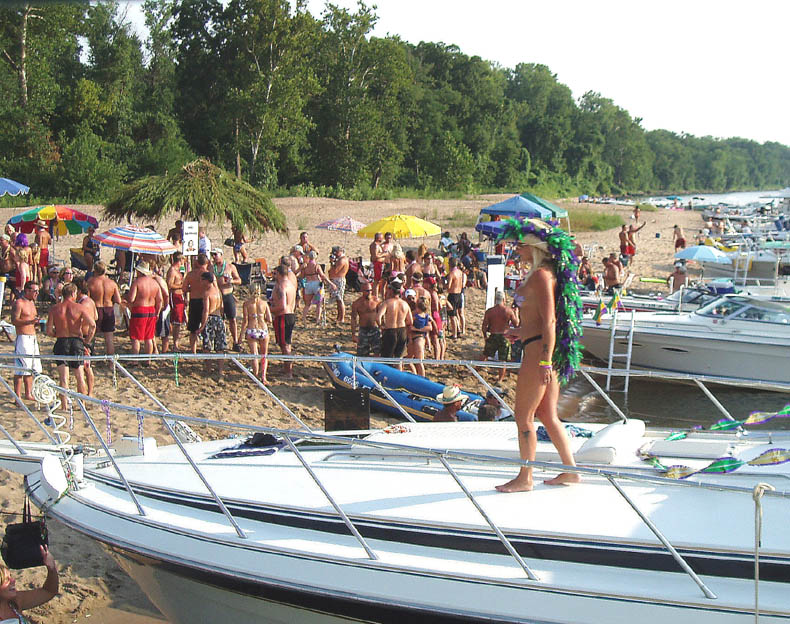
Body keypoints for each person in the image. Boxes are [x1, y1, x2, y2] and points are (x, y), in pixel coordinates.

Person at [494, 218, 583, 492]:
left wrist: (544, 361)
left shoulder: (542, 276)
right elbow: (538, 321)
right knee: (547, 414)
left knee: (524, 417)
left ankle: (525, 477)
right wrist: (520, 331)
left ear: (534, 248)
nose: (516, 249)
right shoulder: (541, 274)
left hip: (538, 355)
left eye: (520, 245)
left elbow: (550, 321)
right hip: (537, 348)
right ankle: (571, 471)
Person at [47, 283, 95, 411]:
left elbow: (49, 331)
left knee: (64, 377)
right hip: (76, 341)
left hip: (61, 341)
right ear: (73, 293)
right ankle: (82, 404)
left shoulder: (55, 309)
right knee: (79, 375)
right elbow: (93, 325)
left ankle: (64, 406)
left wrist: (58, 333)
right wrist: (87, 341)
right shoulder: (79, 308)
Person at [0, 546, 59, 621]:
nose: (13, 581)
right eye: (6, 580)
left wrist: (52, 569)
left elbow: (49, 592)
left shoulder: (15, 601)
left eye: (11, 576)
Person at [124, 261, 163, 359]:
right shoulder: (155, 283)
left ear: (140, 272)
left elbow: (131, 299)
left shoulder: (137, 282)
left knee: (135, 338)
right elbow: (160, 300)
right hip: (152, 310)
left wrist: (126, 298)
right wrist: (157, 312)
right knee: (149, 337)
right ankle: (147, 359)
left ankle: (135, 360)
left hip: (139, 310)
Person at [11, 281, 41, 401]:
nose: (37, 293)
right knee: (21, 368)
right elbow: (14, 320)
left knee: (31, 366)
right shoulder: (19, 303)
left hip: (32, 337)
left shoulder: (32, 303)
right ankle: (17, 396)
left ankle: (28, 393)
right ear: (27, 290)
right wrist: (29, 322)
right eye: (35, 291)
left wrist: (36, 324)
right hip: (23, 337)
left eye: (38, 291)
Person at [482, 290, 518, 383]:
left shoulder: (490, 311)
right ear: (504, 299)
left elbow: (484, 326)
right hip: (504, 336)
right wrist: (516, 314)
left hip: (493, 335)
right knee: (503, 360)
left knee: (485, 355)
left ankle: (477, 370)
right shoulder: (508, 311)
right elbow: (516, 324)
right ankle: (500, 379)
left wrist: (485, 336)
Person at [86, 261, 121, 356]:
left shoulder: (91, 282)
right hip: (108, 309)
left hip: (96, 308)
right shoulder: (112, 283)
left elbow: (87, 299)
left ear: (95, 270)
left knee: (91, 334)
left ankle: (89, 358)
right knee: (109, 338)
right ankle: (110, 361)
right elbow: (118, 300)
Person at [240, 283, 273, 383]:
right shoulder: (264, 303)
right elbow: (270, 319)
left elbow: (245, 321)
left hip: (252, 329)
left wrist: (240, 336)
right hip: (263, 329)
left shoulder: (247, 304)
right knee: (264, 355)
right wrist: (262, 319)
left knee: (254, 354)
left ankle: (255, 376)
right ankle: (263, 377)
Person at [210, 249, 242, 350]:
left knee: (232, 319)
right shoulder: (211, 268)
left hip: (228, 294)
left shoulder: (230, 267)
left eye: (215, 254)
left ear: (221, 254)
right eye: (212, 255)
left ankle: (235, 341)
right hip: (217, 296)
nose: (213, 257)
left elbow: (239, 280)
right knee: (219, 319)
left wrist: (231, 281)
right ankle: (220, 341)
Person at [377, 279, 412, 370]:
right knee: (399, 359)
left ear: (391, 290)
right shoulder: (405, 304)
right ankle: (399, 376)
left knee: (386, 358)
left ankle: (386, 375)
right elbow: (410, 321)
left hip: (390, 330)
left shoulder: (387, 303)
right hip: (402, 330)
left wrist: (381, 326)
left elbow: (378, 317)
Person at [271, 265, 297, 379]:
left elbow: (282, 306)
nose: (274, 276)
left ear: (279, 273)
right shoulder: (291, 284)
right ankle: (286, 368)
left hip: (283, 316)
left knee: (285, 345)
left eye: (275, 273)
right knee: (286, 344)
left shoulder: (281, 286)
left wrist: (268, 309)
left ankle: (288, 372)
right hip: (290, 314)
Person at [199, 272, 227, 374]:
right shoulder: (218, 292)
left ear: (207, 280)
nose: (201, 282)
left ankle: (208, 369)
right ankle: (220, 370)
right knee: (220, 347)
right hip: (219, 318)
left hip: (210, 319)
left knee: (207, 346)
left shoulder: (207, 293)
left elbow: (206, 311)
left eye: (202, 280)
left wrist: (202, 326)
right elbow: (222, 307)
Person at [298, 250, 336, 325]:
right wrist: (331, 284)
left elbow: (302, 276)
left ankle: (304, 319)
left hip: (308, 284)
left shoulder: (305, 266)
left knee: (307, 304)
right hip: (317, 284)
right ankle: (317, 320)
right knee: (319, 304)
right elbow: (322, 276)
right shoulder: (316, 266)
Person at [183, 253, 211, 354]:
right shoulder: (209, 275)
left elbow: (184, 288)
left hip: (194, 300)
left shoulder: (191, 274)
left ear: (197, 263)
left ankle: (193, 350)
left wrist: (193, 288)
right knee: (206, 327)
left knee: (193, 329)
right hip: (205, 301)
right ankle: (206, 349)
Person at [74, 277, 97, 397]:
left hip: (85, 336)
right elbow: (96, 316)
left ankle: (89, 392)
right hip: (88, 335)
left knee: (85, 367)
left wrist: (85, 340)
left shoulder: (82, 304)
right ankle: (90, 392)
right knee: (87, 366)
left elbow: (80, 321)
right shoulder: (90, 301)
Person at [350, 282, 381, 357]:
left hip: (375, 329)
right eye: (367, 291)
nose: (369, 292)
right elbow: (353, 319)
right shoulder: (357, 303)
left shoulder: (377, 301)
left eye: (370, 290)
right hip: (363, 330)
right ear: (362, 291)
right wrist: (353, 334)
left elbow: (381, 315)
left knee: (377, 352)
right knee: (362, 354)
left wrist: (382, 327)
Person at [408, 296, 436, 377]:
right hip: (417, 338)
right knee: (409, 360)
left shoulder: (418, 315)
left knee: (418, 361)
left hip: (418, 338)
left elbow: (429, 328)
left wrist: (416, 329)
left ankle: (421, 377)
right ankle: (416, 375)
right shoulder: (424, 316)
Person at [166, 252, 187, 351]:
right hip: (174, 296)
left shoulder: (179, 270)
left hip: (180, 296)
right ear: (180, 260)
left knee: (179, 321)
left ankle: (176, 343)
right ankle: (175, 344)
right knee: (176, 321)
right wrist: (181, 286)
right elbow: (169, 285)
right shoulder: (172, 271)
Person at [151, 262, 171, 353]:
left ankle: (164, 352)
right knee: (152, 330)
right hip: (155, 307)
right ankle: (155, 349)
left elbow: (166, 295)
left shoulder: (158, 280)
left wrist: (164, 306)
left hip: (162, 307)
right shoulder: (151, 280)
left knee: (164, 333)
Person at [328, 246, 349, 323]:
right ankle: (339, 316)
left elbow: (335, 271)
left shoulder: (342, 260)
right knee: (338, 300)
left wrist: (332, 262)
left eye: (335, 253)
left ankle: (342, 317)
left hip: (339, 280)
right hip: (337, 279)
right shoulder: (340, 259)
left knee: (340, 299)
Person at [446, 257, 466, 339]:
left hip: (453, 294)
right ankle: (458, 330)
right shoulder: (460, 272)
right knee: (457, 314)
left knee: (452, 315)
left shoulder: (452, 274)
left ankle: (454, 334)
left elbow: (448, 286)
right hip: (459, 294)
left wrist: (443, 284)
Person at [369, 233, 386, 298]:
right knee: (376, 282)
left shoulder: (374, 245)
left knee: (376, 281)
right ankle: (375, 296)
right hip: (377, 264)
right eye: (382, 238)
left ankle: (375, 296)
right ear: (379, 238)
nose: (383, 239)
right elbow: (375, 256)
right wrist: (384, 254)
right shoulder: (376, 245)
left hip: (377, 264)